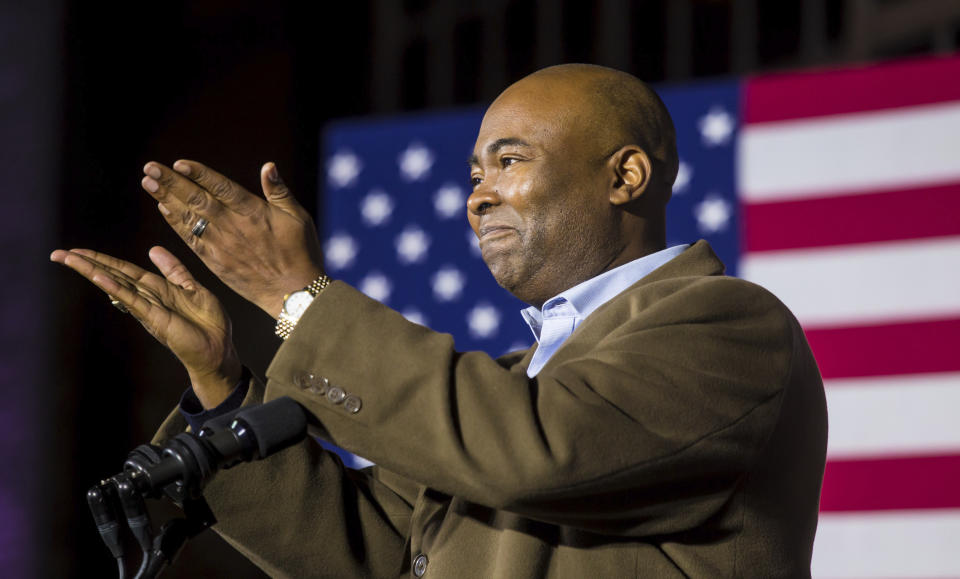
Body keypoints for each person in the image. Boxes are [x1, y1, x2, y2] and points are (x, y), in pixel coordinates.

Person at [52, 64, 827, 578]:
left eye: (510, 160)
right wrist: (221, 385)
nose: (478, 194)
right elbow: (381, 554)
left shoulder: (730, 327)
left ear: (626, 175)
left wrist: (300, 297)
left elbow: (540, 451)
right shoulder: (516, 387)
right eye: (474, 173)